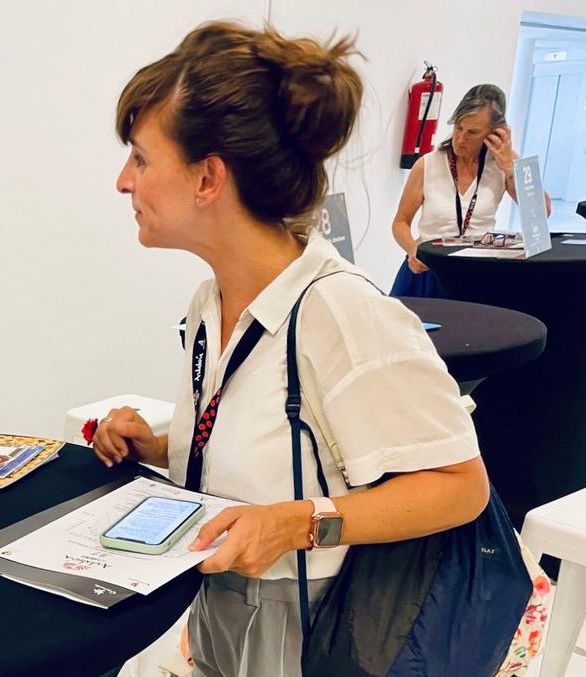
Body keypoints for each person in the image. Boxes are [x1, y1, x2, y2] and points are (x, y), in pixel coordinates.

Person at [95, 22, 489, 676]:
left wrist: (300, 523)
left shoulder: (340, 312)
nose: (122, 181)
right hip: (217, 628)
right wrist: (160, 445)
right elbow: (274, 443)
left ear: (207, 179)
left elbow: (460, 487)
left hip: (311, 642)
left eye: (139, 158)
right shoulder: (209, 304)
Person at [390, 84, 548, 297]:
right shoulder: (428, 164)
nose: (461, 139)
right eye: (458, 128)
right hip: (429, 270)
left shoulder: (506, 166)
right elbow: (400, 222)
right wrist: (413, 251)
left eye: (472, 132)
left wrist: (511, 168)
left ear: (494, 133)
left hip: (476, 272)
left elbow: (541, 213)